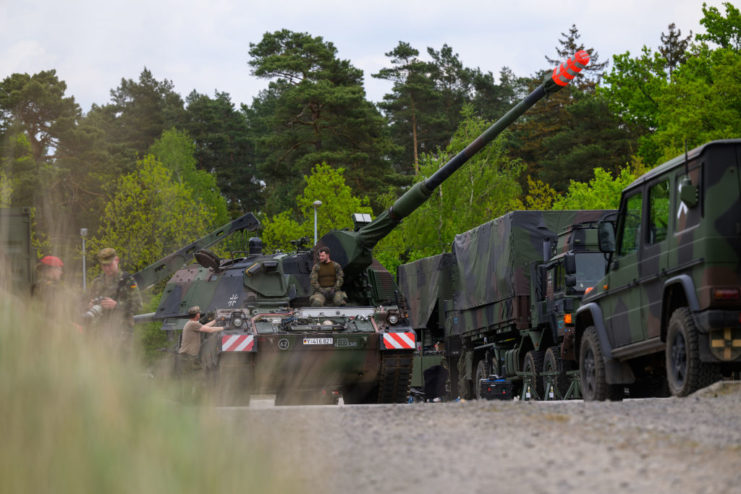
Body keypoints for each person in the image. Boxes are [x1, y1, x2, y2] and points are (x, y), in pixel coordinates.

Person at [87, 247, 142, 354]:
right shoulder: (97, 282)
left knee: (120, 367)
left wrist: (116, 306)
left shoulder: (127, 281)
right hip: (101, 333)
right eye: (104, 265)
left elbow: (138, 305)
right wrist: (90, 305)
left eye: (109, 264)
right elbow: (88, 302)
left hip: (122, 334)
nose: (107, 268)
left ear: (116, 260)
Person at [176, 305, 225, 374]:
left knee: (194, 375)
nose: (200, 314)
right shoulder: (192, 324)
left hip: (188, 357)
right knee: (193, 376)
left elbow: (204, 327)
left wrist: (216, 320)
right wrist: (223, 328)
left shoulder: (192, 323)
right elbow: (209, 330)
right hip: (188, 357)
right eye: (199, 313)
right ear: (197, 314)